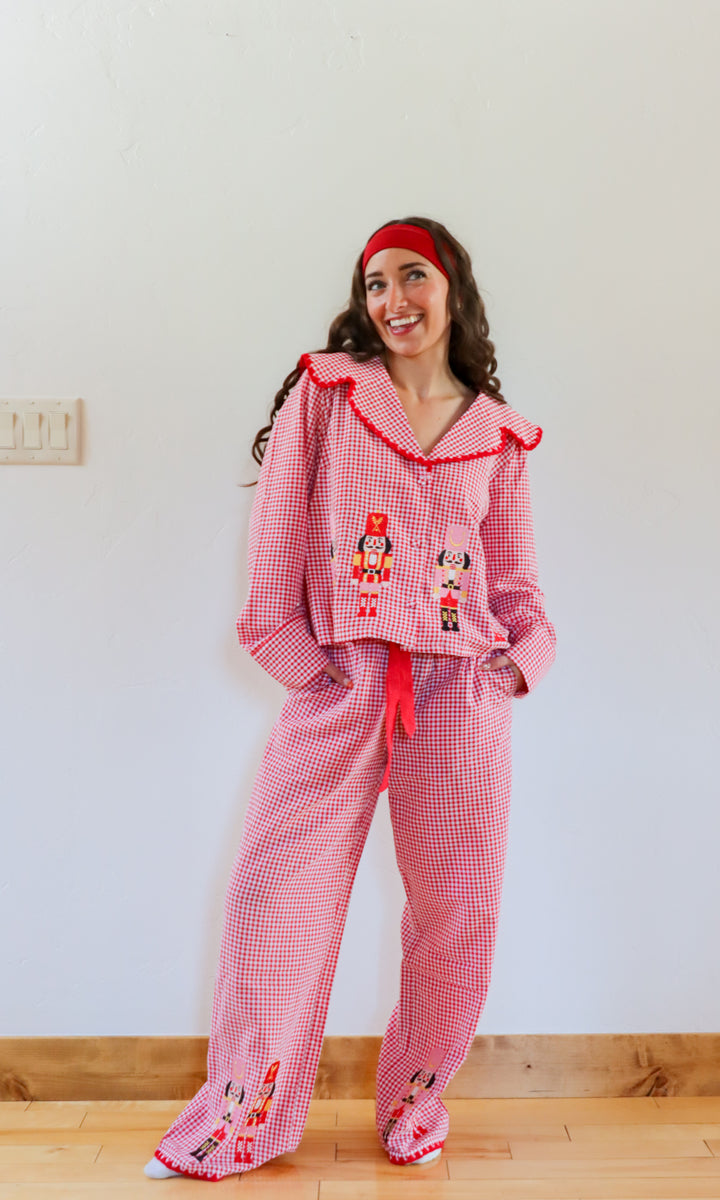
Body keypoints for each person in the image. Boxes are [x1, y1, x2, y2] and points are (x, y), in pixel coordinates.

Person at [144, 216, 557, 1181]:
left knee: (458, 912)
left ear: (453, 288)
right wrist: (309, 666)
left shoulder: (499, 434)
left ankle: (417, 1101)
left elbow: (523, 596)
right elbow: (275, 557)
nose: (393, 300)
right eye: (375, 283)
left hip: (460, 691)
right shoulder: (328, 397)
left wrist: (514, 666)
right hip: (345, 679)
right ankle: (243, 1116)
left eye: (413, 277)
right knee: (275, 899)